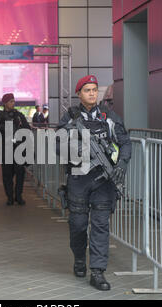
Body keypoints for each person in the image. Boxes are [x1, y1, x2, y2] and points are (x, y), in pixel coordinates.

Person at [57, 75, 131, 291]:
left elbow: (125, 143)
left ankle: (97, 271)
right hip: (79, 179)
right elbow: (58, 145)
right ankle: (80, 259)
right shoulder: (69, 117)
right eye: (87, 90)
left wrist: (121, 165)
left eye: (94, 89)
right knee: (78, 226)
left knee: (100, 226)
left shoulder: (110, 117)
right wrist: (77, 150)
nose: (92, 93)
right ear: (79, 93)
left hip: (103, 182)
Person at [0, 93, 31, 206]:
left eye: (13, 101)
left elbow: (27, 129)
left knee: (20, 174)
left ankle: (18, 196)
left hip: (19, 148)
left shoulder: (19, 115)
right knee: (7, 175)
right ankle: (10, 197)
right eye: (10, 101)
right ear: (5, 103)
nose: (13, 103)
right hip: (6, 149)